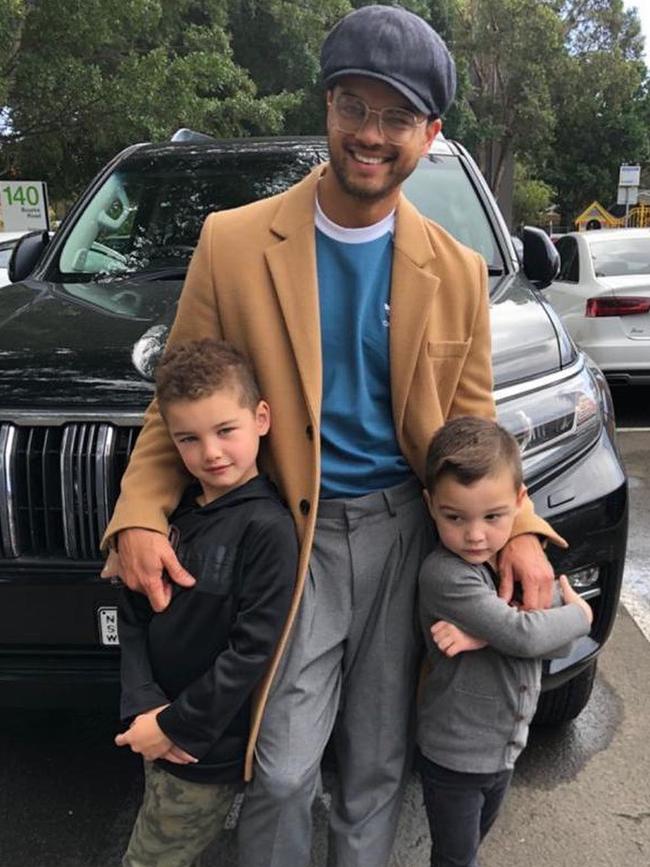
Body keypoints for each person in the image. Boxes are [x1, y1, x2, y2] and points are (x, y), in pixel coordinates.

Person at [101, 6, 567, 866]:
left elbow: (474, 433)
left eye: (396, 117)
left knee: (375, 767)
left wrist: (525, 530)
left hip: (403, 534)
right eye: (354, 105)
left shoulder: (455, 269)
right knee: (279, 771)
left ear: (429, 134)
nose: (370, 134)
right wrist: (137, 510)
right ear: (328, 107)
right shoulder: (234, 243)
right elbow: (183, 397)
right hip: (292, 536)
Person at [114, 339, 297, 867]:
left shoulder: (269, 529)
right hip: (155, 725)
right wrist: (145, 704)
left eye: (225, 431)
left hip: (201, 746)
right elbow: (133, 615)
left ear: (261, 418)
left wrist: (175, 725)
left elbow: (252, 650)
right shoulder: (172, 519)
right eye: (189, 439)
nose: (211, 453)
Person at [417, 416, 592, 867]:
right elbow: (529, 635)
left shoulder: (515, 566)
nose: (474, 535)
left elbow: (550, 645)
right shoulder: (446, 575)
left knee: (471, 847)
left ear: (519, 504)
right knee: (456, 860)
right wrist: (579, 614)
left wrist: (483, 636)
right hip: (455, 755)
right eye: (454, 517)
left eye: (492, 517)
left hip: (505, 747)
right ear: (430, 505)